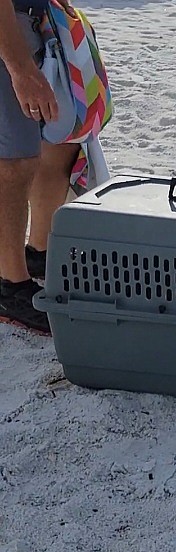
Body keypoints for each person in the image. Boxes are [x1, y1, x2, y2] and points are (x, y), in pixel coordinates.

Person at [0, 0, 81, 335]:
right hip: (9, 32)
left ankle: (35, 251)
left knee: (61, 140)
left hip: (34, 21)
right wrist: (20, 69)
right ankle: (9, 284)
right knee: (15, 161)